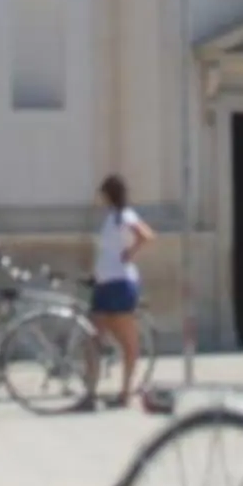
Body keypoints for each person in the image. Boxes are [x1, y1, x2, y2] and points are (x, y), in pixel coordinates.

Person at [87, 174, 158, 411]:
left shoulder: (125, 215)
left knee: (127, 340)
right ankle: (91, 390)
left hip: (119, 283)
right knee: (94, 336)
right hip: (105, 282)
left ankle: (126, 391)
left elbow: (146, 234)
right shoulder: (111, 218)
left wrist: (131, 252)